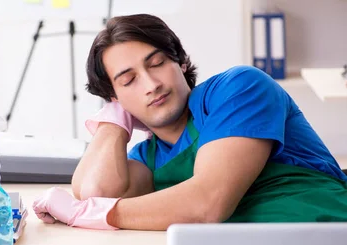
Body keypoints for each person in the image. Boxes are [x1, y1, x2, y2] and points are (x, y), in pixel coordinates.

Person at [32, 13, 347, 231]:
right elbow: (96, 192)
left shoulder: (239, 88)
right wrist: (113, 121)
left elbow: (209, 203)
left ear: (181, 62)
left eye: (157, 64)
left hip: (326, 238)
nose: (151, 84)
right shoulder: (149, 158)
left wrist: (83, 214)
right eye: (128, 81)